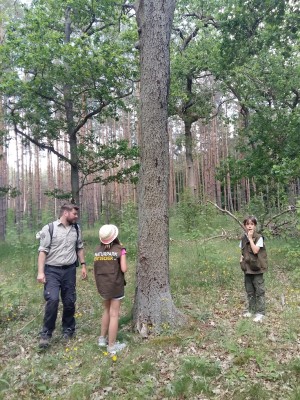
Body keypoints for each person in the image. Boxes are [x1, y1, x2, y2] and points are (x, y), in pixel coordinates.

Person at [37, 203, 87, 348]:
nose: (76, 217)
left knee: (69, 300)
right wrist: (41, 272)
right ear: (65, 213)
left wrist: (83, 265)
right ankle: (46, 334)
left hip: (70, 270)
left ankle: (68, 329)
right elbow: (42, 251)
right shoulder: (50, 228)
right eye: (74, 214)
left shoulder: (76, 229)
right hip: (52, 270)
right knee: (52, 300)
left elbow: (79, 247)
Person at [94, 224, 127, 355]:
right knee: (114, 314)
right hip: (115, 285)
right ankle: (112, 346)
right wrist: (123, 254)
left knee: (106, 310)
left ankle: (102, 339)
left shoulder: (97, 250)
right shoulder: (120, 249)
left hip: (102, 285)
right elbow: (124, 269)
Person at [239, 216, 268, 322]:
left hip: (257, 268)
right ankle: (251, 310)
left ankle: (261, 312)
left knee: (259, 291)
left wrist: (250, 238)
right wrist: (241, 260)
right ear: (245, 226)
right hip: (247, 269)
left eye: (252, 224)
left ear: (255, 226)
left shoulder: (259, 237)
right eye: (247, 224)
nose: (249, 226)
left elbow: (255, 250)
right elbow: (242, 251)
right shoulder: (243, 238)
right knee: (249, 291)